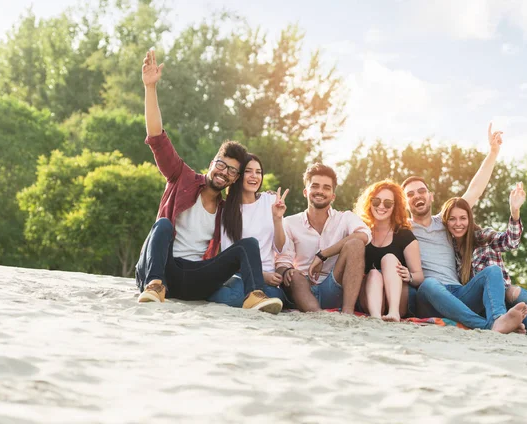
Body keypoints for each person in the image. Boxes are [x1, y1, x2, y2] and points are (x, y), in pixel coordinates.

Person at [134, 50, 282, 314]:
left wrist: (265, 197)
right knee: (163, 225)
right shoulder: (182, 176)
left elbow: (254, 212)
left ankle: (255, 296)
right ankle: (155, 285)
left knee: (247, 244)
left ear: (235, 179)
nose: (224, 172)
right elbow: (156, 137)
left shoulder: (227, 211)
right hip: (161, 270)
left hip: (196, 279)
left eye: (232, 171)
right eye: (221, 164)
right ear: (213, 162)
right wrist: (150, 88)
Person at [402, 123, 527, 333]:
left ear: (430, 196)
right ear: (405, 202)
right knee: (430, 283)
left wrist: (493, 152)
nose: (417, 196)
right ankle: (488, 326)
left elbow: (475, 189)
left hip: (460, 295)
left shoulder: (445, 221)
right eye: (410, 194)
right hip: (430, 297)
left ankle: (498, 319)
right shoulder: (404, 229)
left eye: (421, 191)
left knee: (492, 271)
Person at [442, 183, 527, 337]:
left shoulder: (482, 237)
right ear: (446, 222)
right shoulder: (448, 250)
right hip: (488, 308)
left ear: (469, 219)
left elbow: (510, 241)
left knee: (516, 294)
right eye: (452, 219)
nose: (458, 223)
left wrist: (514, 211)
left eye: (463, 218)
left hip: (507, 297)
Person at [275, 163, 372, 314]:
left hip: (333, 287)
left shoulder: (345, 218)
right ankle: (318, 316)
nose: (320, 191)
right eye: (315, 186)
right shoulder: (289, 222)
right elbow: (281, 261)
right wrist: (286, 270)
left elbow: (365, 234)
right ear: (306, 192)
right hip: (301, 290)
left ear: (333, 196)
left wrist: (323, 255)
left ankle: (347, 313)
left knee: (356, 244)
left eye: (326, 188)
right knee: (294, 274)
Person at [207, 154, 290, 307]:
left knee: (275, 295)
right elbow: (230, 257)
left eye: (258, 172)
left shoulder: (270, 201)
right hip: (239, 277)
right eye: (248, 171)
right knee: (229, 294)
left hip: (269, 282)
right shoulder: (228, 211)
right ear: (238, 176)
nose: (254, 176)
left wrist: (277, 219)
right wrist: (260, 276)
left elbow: (281, 248)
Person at [354, 180, 423, 321]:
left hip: (399, 300)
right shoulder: (362, 231)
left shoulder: (404, 235)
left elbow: (419, 277)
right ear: (369, 203)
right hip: (370, 296)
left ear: (395, 207)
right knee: (373, 273)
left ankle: (393, 313)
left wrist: (409, 276)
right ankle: (375, 317)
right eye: (376, 201)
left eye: (388, 203)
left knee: (389, 258)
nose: (381, 206)